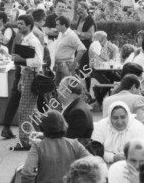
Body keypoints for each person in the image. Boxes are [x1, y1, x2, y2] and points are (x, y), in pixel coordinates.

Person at [20, 110, 91, 183]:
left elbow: (28, 172)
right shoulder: (75, 144)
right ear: (64, 124)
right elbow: (93, 163)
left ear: (42, 127)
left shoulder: (38, 147)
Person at [13, 14, 44, 150]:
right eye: (18, 23)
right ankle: (45, 133)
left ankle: (25, 141)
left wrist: (21, 60)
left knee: (25, 110)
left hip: (32, 75)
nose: (19, 26)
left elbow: (38, 61)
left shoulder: (33, 41)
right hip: (27, 74)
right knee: (32, 109)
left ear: (29, 25)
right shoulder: (25, 39)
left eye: (21, 24)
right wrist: (21, 77)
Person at [53, 15, 86, 86]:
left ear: (63, 25)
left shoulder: (71, 35)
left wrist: (74, 63)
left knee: (66, 88)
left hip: (66, 65)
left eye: (57, 25)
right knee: (59, 88)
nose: (56, 26)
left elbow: (82, 49)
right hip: (59, 65)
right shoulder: (61, 33)